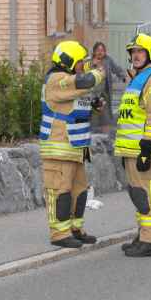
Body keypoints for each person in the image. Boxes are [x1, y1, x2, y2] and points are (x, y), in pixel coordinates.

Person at [39, 40, 105, 248]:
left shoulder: (67, 82)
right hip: (59, 147)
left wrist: (94, 105)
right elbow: (85, 81)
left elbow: (76, 105)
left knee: (80, 189)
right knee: (60, 190)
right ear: (68, 61)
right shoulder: (57, 79)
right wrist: (99, 72)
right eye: (80, 62)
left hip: (78, 147)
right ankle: (59, 234)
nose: (82, 66)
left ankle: (76, 229)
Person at [115, 33, 151, 257]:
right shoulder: (138, 78)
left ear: (150, 55)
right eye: (133, 52)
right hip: (132, 149)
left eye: (140, 52)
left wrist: (147, 147)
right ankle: (143, 234)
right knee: (138, 193)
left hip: (143, 148)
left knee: (147, 194)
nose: (135, 56)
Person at [85, 42, 127, 133]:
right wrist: (93, 64)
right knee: (94, 117)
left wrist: (123, 77)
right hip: (92, 95)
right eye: (98, 50)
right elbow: (85, 73)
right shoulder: (88, 61)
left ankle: (106, 137)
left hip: (105, 93)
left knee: (106, 117)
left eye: (102, 50)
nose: (100, 52)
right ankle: (92, 136)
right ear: (94, 51)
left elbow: (116, 69)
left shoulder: (108, 60)